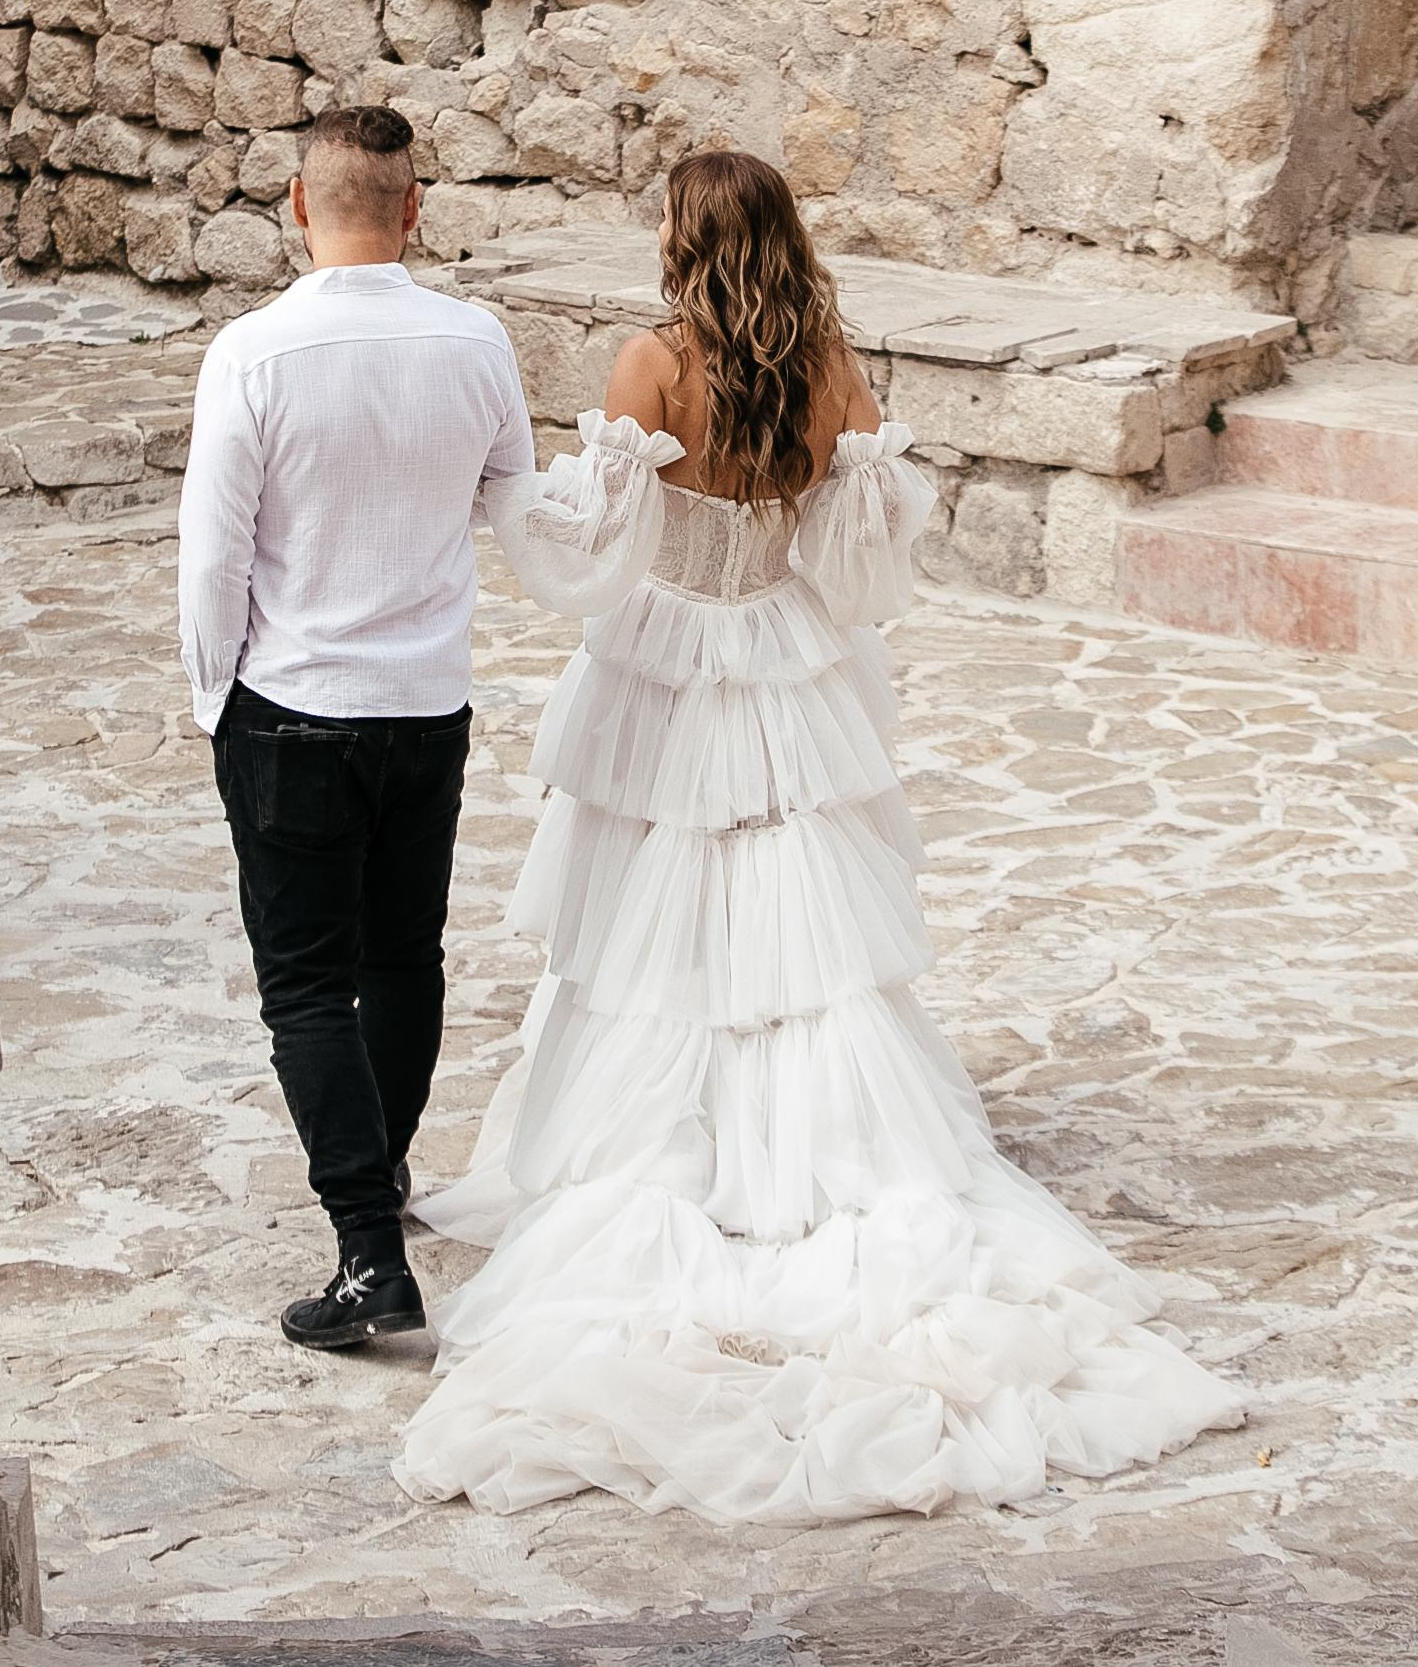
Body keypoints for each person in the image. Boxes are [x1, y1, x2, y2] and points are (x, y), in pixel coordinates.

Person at [398, 146, 1245, 1522]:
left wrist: (509, 502)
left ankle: (681, 1148)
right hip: (785, 656)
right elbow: (858, 565)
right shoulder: (826, 364)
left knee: (650, 913)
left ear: (684, 234)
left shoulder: (647, 366)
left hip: (666, 660)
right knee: (799, 914)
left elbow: (594, 557)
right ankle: (814, 1147)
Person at [177, 103, 534, 1351]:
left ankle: (368, 1254)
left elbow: (213, 562)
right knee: (403, 961)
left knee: (309, 989)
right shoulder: (476, 341)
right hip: (427, 707)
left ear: (296, 204)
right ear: (415, 208)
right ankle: (376, 1188)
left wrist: (214, 696)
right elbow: (514, 501)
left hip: (293, 710)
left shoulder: (253, 355)